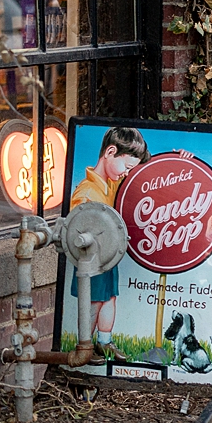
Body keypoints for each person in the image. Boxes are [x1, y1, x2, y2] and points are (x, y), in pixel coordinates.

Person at [68, 126, 149, 357]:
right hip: (91, 261)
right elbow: (77, 233)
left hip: (109, 256)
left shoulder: (112, 181)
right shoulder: (85, 192)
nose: (127, 173)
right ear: (110, 152)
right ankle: (85, 345)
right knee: (92, 301)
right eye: (126, 166)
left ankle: (104, 341)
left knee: (109, 298)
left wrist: (179, 156)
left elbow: (146, 169)